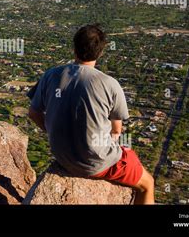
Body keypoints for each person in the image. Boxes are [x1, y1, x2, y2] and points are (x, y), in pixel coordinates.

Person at [28, 24, 155, 204]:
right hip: (96, 163)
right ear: (101, 52)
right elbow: (116, 131)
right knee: (148, 183)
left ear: (74, 48)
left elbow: (33, 113)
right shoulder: (109, 84)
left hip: (62, 156)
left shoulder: (51, 75)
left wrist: (52, 131)